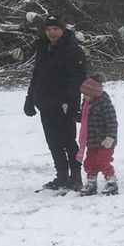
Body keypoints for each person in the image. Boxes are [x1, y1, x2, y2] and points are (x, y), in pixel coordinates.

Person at [24, 15, 88, 191]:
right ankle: (61, 175)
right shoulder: (43, 47)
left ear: (63, 29)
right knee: (53, 142)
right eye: (49, 29)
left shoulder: (72, 49)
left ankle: (75, 177)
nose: (52, 32)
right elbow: (37, 75)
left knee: (68, 140)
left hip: (64, 104)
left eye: (56, 29)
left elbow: (78, 79)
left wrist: (73, 104)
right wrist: (30, 99)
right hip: (45, 103)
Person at [76, 72, 119, 196]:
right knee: (90, 162)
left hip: (105, 141)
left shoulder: (104, 103)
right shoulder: (86, 104)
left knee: (103, 161)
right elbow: (86, 119)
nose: (84, 97)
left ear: (95, 93)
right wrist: (73, 116)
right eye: (83, 94)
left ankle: (111, 181)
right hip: (92, 141)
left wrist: (110, 137)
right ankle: (91, 182)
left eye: (87, 94)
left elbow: (112, 121)